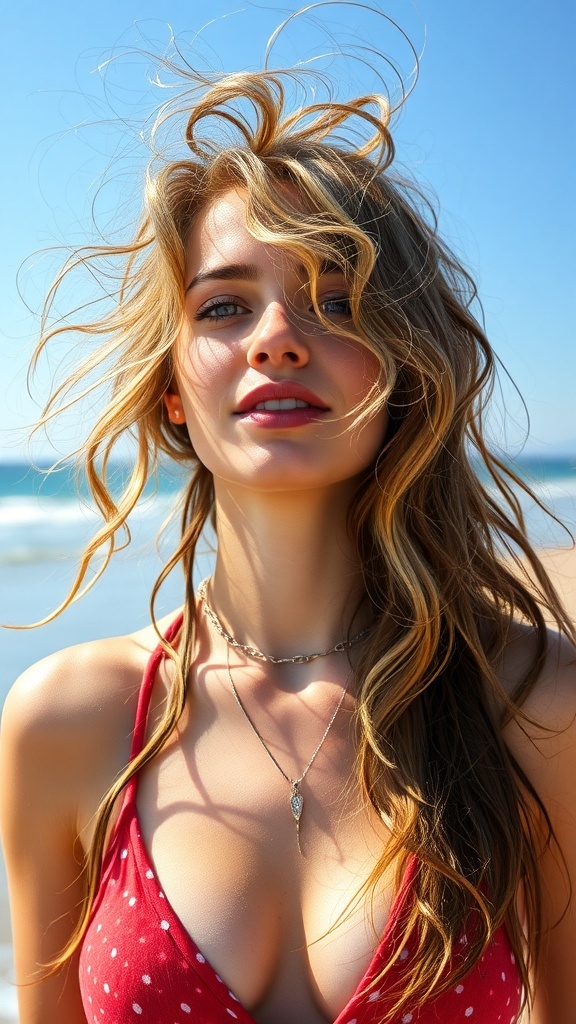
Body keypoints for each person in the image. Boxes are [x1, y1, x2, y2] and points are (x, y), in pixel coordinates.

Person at [1, 37, 575, 1024]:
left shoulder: (532, 703)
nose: (277, 334)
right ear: (175, 390)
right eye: (225, 305)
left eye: (335, 298)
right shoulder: (67, 722)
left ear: (403, 374)